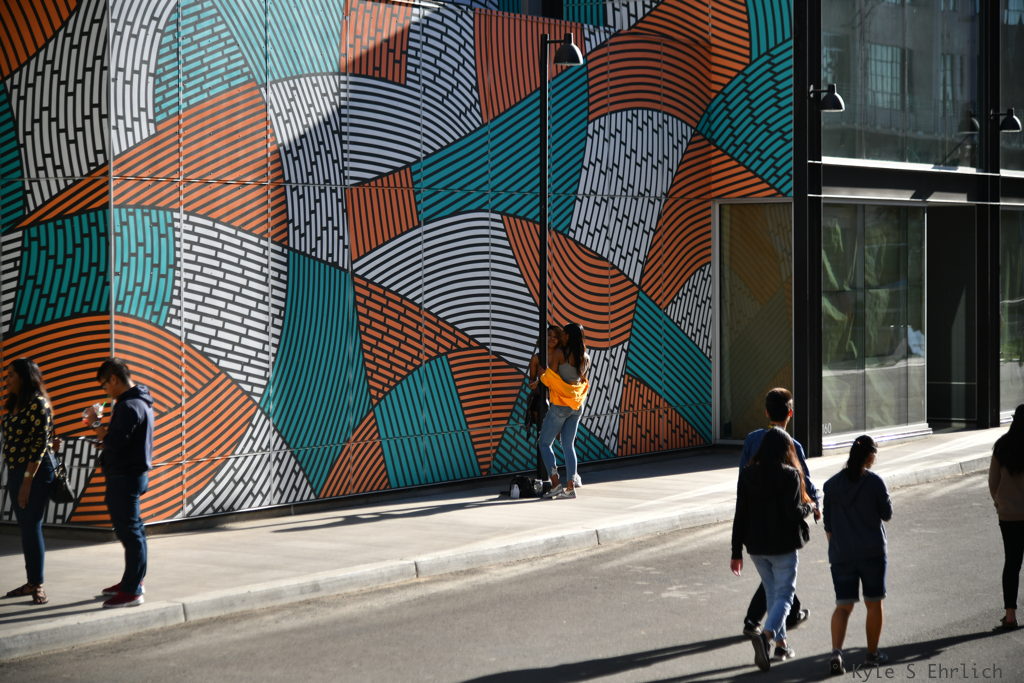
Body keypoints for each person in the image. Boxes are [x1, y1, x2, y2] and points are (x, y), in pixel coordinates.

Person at [739, 388, 821, 636]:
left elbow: (743, 479)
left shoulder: (752, 440)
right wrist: (815, 504)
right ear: (790, 414)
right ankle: (761, 624)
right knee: (779, 575)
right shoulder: (792, 445)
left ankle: (785, 618)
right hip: (782, 520)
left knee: (775, 576)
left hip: (757, 519)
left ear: (766, 412)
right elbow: (804, 479)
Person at [731, 427, 814, 671]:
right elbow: (793, 513)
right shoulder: (789, 475)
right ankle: (766, 637)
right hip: (783, 545)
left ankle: (781, 645)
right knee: (785, 595)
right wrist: (809, 508)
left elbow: (740, 513)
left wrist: (736, 551)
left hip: (756, 546)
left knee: (772, 594)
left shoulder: (748, 474)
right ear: (785, 450)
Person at [84, 358, 155, 608]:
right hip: (132, 474)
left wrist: (95, 422)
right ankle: (133, 580)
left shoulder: (128, 405)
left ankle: (132, 590)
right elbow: (122, 441)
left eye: (104, 385)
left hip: (125, 476)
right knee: (134, 531)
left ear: (113, 379)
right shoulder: (140, 402)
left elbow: (114, 442)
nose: (105, 390)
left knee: (131, 533)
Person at [823, 435, 893, 675]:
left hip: (842, 554)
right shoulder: (875, 483)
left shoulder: (831, 485)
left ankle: (836, 653)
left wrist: (838, 547)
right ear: (870, 456)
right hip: (872, 552)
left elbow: (828, 526)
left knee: (843, 606)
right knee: (874, 603)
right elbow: (887, 514)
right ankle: (872, 654)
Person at [2, 359, 56, 605]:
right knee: (26, 527)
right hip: (17, 472)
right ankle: (32, 580)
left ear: (24, 377)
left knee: (32, 526)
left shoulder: (38, 404)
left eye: (11, 375)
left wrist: (26, 481)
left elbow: (39, 445)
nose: (7, 379)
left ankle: (37, 584)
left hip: (33, 473)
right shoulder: (15, 403)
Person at [536, 322, 590, 500]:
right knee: (568, 445)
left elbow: (550, 379)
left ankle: (555, 483)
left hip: (560, 405)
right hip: (577, 405)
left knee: (544, 443)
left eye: (564, 334)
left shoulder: (560, 353)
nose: (562, 336)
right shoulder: (585, 357)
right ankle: (570, 487)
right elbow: (579, 381)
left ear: (569, 336)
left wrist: (542, 375)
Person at [989, 404, 1024, 632]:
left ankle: (1010, 615)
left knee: (1012, 563)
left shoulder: (1002, 446)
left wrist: (1000, 504)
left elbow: (993, 482)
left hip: (1009, 515)